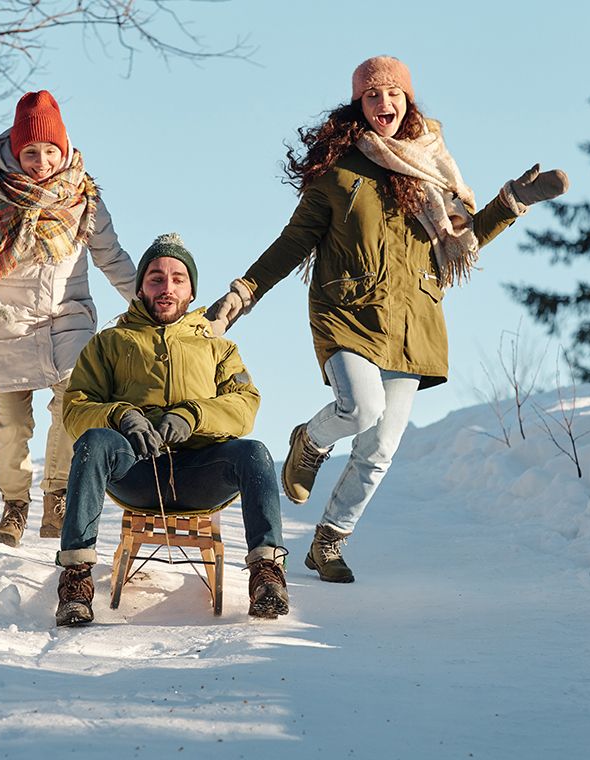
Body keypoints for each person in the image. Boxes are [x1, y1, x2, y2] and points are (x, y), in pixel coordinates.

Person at [206, 55, 569, 584]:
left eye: (393, 94)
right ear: (359, 104)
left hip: (412, 325)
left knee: (379, 451)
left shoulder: (431, 172)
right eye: (372, 96)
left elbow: (462, 240)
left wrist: (512, 201)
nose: (384, 104)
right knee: (360, 407)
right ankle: (309, 440)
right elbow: (293, 242)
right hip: (347, 313)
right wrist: (243, 292)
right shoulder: (339, 172)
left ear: (408, 100)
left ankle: (328, 541)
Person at [53, 233, 289, 626]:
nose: (167, 288)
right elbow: (76, 408)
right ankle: (75, 581)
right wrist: (121, 416)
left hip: (200, 473)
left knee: (254, 452)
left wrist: (192, 416)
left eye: (178, 279)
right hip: (135, 471)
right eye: (156, 278)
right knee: (94, 442)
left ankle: (266, 575)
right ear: (142, 286)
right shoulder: (110, 343)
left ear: (192, 290)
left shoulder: (218, 348)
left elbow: (244, 405)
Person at [0, 90, 136, 548]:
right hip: (9, 320)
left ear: (64, 149)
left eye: (49, 151)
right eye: (31, 152)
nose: (40, 161)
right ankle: (14, 505)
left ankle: (56, 495)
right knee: (14, 423)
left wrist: (146, 302)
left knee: (70, 407)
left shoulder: (83, 197)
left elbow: (110, 257)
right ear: (16, 151)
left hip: (69, 317)